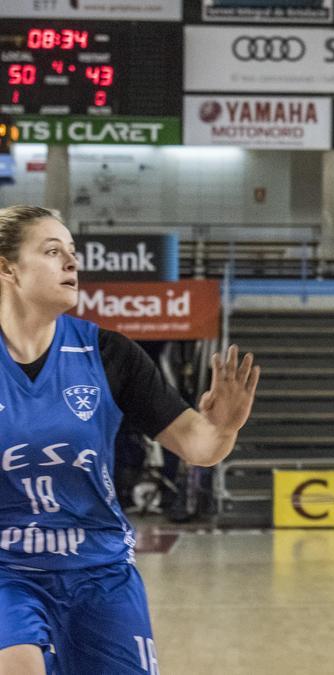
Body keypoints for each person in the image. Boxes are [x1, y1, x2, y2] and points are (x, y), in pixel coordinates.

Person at [0, 206, 260, 674]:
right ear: (7, 268)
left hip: (99, 570)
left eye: (73, 253)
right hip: (6, 572)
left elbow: (200, 449)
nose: (72, 263)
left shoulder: (108, 353)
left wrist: (224, 426)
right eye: (53, 251)